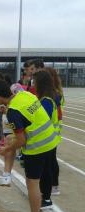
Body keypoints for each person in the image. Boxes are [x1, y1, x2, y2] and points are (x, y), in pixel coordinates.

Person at [0, 79, 60, 212]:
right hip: (50, 141)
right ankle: (42, 208)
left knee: (32, 184)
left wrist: (7, 149)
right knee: (43, 178)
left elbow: (21, 140)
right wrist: (7, 111)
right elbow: (27, 116)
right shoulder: (24, 94)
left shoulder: (13, 111)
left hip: (37, 147)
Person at [33, 70, 61, 209]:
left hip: (48, 140)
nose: (33, 85)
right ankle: (45, 196)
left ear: (41, 84)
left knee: (46, 169)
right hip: (49, 139)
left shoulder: (47, 101)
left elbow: (43, 120)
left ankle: (47, 198)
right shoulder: (44, 99)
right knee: (46, 168)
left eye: (34, 82)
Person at [45, 67, 64, 195]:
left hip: (52, 130)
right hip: (52, 129)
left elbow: (58, 114)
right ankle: (53, 185)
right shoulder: (52, 92)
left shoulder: (54, 93)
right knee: (50, 159)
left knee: (51, 160)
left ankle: (54, 186)